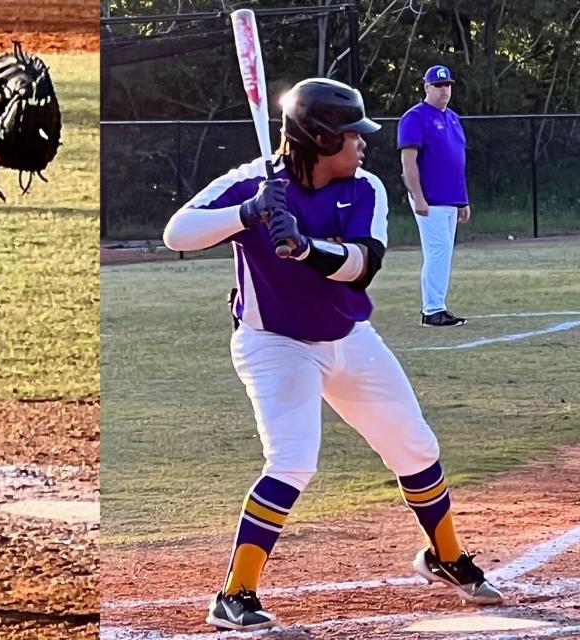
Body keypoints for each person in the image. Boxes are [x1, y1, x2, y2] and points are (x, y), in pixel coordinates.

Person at [162, 78, 502, 632]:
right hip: (274, 343)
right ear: (319, 139)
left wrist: (305, 248)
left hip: (346, 337)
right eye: (352, 135)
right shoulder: (254, 182)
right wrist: (247, 213)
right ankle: (234, 595)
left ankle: (445, 557)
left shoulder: (366, 187)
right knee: (293, 459)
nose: (363, 143)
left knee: (415, 446)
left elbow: (362, 265)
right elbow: (178, 231)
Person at [398, 64, 470, 327]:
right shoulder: (415, 117)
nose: (444, 90)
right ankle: (432, 309)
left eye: (447, 85)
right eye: (438, 85)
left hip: (450, 198)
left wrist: (463, 200)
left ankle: (437, 306)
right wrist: (417, 196)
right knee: (437, 252)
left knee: (443, 253)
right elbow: (408, 162)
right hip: (430, 199)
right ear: (426, 87)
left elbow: (457, 160)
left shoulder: (453, 118)